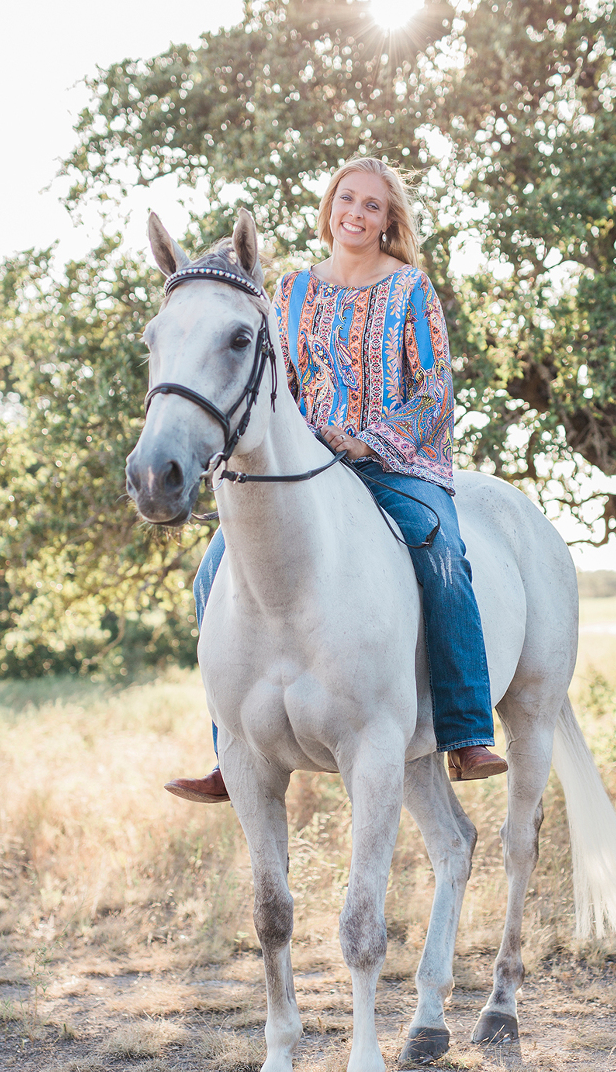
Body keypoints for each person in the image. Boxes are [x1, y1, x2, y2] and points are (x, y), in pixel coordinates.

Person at [165, 157, 508, 802]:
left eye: (372, 205)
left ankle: (465, 730)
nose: (356, 212)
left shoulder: (410, 289)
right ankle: (228, 749)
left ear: (388, 221)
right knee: (211, 572)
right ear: (330, 208)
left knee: (440, 548)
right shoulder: (292, 289)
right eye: (346, 199)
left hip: (391, 463)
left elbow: (435, 390)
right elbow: (274, 383)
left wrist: (368, 438)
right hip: (306, 471)